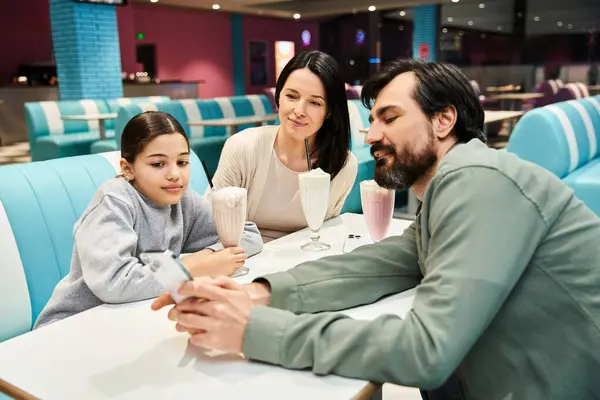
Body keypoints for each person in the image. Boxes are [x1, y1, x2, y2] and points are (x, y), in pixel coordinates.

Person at [152, 60, 600, 398]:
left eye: (389, 118)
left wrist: (254, 330)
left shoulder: (480, 180)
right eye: (371, 121)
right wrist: (258, 294)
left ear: (443, 120)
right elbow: (383, 264)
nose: (369, 136)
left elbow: (426, 349)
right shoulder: (453, 187)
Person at [35, 111, 263, 328]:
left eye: (182, 162)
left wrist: (211, 257)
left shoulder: (182, 200)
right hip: (73, 325)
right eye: (157, 164)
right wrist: (191, 268)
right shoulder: (115, 201)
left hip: (133, 320)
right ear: (127, 168)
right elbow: (114, 282)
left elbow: (249, 235)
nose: (174, 174)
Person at [212, 50, 358, 242]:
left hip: (306, 263)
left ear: (330, 111)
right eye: (292, 96)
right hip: (246, 259)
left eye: (314, 102)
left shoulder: (344, 165)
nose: (299, 111)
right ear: (278, 97)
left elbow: (325, 231)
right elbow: (213, 222)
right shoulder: (242, 148)